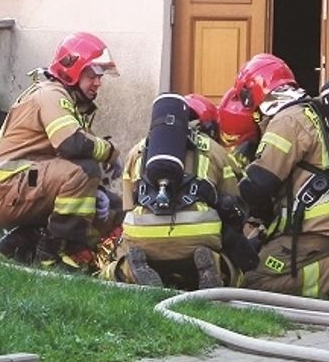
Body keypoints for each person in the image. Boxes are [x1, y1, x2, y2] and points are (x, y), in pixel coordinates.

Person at [230, 54, 329, 300]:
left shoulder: (287, 120)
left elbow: (259, 184)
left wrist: (234, 191)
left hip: (317, 227)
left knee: (252, 279)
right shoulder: (310, 109)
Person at [0, 32, 121, 271]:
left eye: (100, 76)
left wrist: (98, 190)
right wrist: (111, 151)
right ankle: (52, 255)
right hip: (6, 190)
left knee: (113, 206)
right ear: (72, 69)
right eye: (92, 74)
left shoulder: (67, 99)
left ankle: (25, 242)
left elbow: (68, 156)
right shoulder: (51, 94)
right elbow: (71, 144)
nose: (98, 83)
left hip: (25, 186)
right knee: (84, 171)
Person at [100, 94, 240, 290]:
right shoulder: (216, 151)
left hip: (143, 236)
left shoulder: (137, 151)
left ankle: (131, 271)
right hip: (199, 235)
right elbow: (234, 201)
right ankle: (215, 267)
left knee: (112, 268)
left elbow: (128, 206)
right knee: (239, 269)